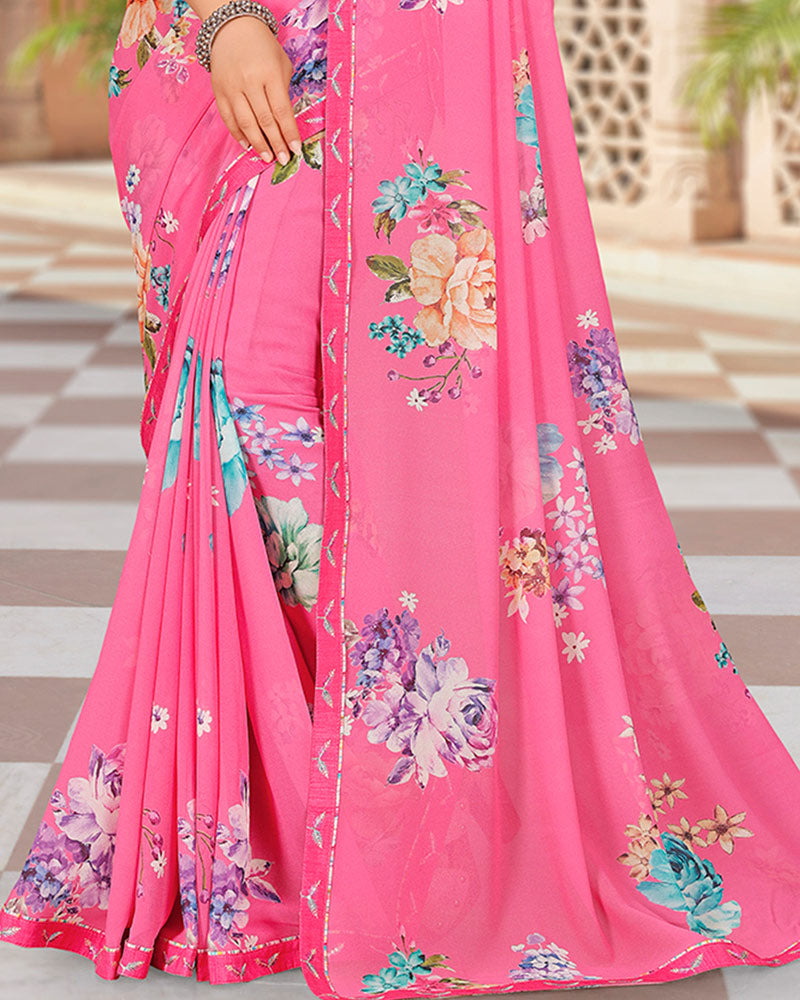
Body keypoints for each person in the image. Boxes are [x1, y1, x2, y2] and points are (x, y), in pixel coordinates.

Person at [1, 0, 799, 995]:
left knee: (382, 425)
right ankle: (335, 808)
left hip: (415, 63)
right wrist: (223, 22)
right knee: (240, 402)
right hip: (262, 38)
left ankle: (411, 799)